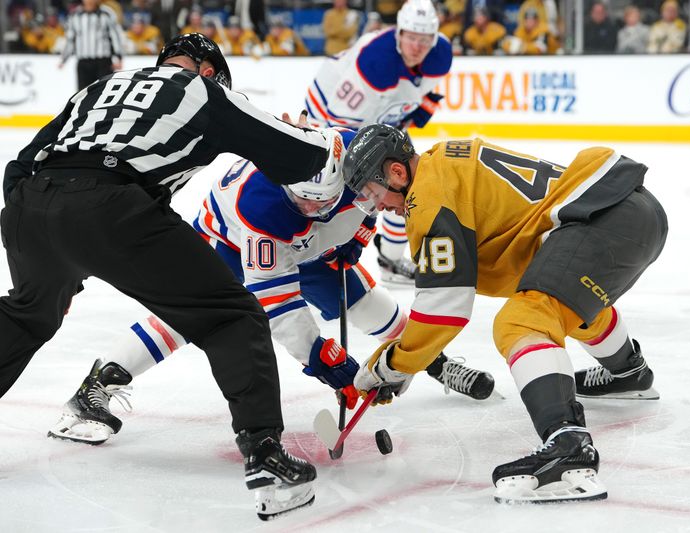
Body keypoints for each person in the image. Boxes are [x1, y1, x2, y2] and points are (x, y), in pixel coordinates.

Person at [1, 33, 332, 520]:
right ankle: (265, 457)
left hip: (30, 205)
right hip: (112, 206)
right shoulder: (202, 90)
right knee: (231, 316)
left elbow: (19, 164)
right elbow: (302, 156)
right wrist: (320, 140)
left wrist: (51, 249)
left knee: (29, 314)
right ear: (206, 69)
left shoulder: (101, 85)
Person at [48, 128, 494, 445]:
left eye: (319, 201)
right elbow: (280, 307)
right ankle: (97, 385)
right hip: (229, 243)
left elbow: (378, 195)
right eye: (300, 199)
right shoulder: (262, 209)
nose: (309, 207)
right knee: (189, 317)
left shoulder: (355, 153)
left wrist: (355, 236)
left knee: (362, 300)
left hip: (308, 244)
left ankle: (432, 361)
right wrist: (326, 362)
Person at [342, 124, 667, 504]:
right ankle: (629, 372)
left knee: (522, 321)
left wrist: (392, 364)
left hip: (606, 221)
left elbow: (443, 311)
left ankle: (568, 446)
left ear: (397, 173)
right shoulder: (443, 160)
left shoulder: (428, 199)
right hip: (627, 209)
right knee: (561, 302)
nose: (377, 205)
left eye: (372, 192)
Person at [305, 0, 452, 285]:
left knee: (409, 181)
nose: (417, 46)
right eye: (411, 37)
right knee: (333, 185)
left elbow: (426, 90)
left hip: (385, 117)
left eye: (424, 39)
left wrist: (417, 111)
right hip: (329, 111)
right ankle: (313, 250)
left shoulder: (441, 52)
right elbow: (340, 125)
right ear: (399, 33)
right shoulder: (374, 62)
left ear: (433, 38)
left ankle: (391, 259)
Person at [59, 0, 125, 90]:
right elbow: (70, 38)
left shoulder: (106, 13)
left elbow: (115, 36)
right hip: (83, 62)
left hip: (103, 62)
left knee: (103, 92)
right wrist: (64, 59)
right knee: (83, 94)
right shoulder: (75, 15)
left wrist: (118, 57)